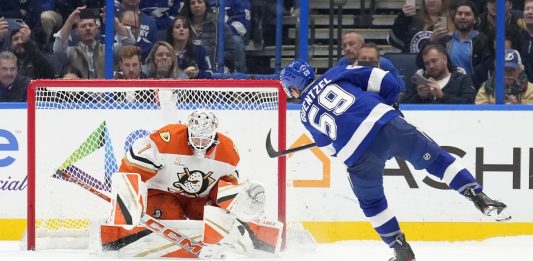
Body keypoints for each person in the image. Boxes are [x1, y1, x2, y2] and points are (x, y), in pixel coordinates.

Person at [279, 59, 511, 261]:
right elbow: (385, 80)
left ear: (294, 89)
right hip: (386, 124)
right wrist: (390, 105)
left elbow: (331, 151)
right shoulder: (335, 73)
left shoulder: (305, 116)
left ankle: (400, 248)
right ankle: (477, 195)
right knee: (437, 161)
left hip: (357, 155)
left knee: (372, 202)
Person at [114, 110, 282, 257]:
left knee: (217, 219)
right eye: (196, 137)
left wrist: (236, 201)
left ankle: (247, 229)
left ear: (214, 134)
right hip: (162, 193)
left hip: (200, 199)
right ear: (188, 129)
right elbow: (132, 167)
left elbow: (224, 188)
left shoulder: (228, 150)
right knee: (169, 217)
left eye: (205, 139)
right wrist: (128, 198)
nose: (200, 143)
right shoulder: (167, 139)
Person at [430, 1, 489, 81]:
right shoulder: (445, 39)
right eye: (459, 13)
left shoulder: (483, 41)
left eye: (467, 14)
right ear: (454, 18)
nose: (463, 17)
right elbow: (421, 62)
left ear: (475, 20)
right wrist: (432, 41)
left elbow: (485, 71)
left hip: (474, 87)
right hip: (448, 87)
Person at [401, 44, 475, 104]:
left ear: (445, 59)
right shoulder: (419, 83)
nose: (431, 66)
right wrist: (419, 97)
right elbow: (402, 105)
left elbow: (469, 103)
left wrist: (442, 96)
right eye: (427, 63)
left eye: (434, 61)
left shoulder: (462, 80)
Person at [338, 32, 405, 91]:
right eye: (344, 46)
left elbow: (400, 88)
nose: (347, 48)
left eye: (351, 44)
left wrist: (380, 75)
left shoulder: (383, 63)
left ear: (362, 45)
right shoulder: (342, 63)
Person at [53, 6, 105, 79]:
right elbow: (58, 50)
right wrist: (69, 22)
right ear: (77, 32)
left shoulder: (108, 50)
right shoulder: (71, 52)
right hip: (79, 90)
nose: (87, 28)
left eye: (91, 25)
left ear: (97, 29)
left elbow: (126, 44)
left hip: (105, 90)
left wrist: (114, 23)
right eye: (83, 26)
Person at [388, 0, 454, 53]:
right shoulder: (412, 19)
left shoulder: (451, 21)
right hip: (411, 63)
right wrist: (403, 17)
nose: (431, 1)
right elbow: (394, 41)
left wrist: (438, 40)